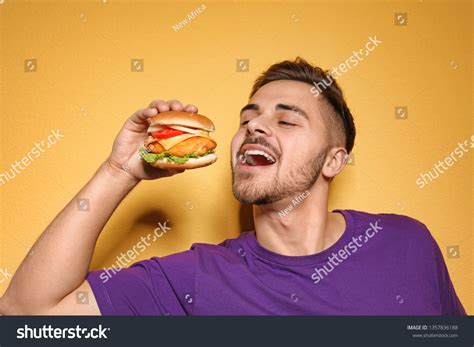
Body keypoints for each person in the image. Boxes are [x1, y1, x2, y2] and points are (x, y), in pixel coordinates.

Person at [0, 58, 465, 315]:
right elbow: (24, 318)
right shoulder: (192, 280)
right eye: (248, 119)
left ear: (333, 160)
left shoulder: (406, 243)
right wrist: (118, 171)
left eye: (285, 119)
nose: (254, 129)